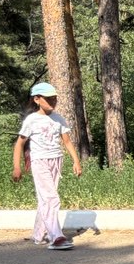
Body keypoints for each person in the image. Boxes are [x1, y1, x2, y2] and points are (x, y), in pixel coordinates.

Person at [12, 82, 82, 250]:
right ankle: (56, 236)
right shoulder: (31, 120)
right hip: (39, 161)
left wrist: (76, 161)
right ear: (37, 99)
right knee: (51, 198)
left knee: (46, 199)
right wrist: (17, 167)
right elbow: (19, 144)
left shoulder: (59, 119)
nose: (53, 102)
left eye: (54, 99)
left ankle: (38, 235)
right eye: (49, 99)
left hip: (56, 161)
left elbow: (67, 141)